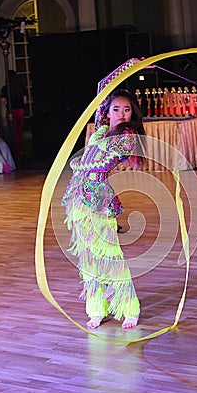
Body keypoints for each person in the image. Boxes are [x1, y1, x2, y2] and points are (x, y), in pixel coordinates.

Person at [61, 62, 146, 330]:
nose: (121, 113)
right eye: (116, 109)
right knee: (88, 258)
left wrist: (81, 165)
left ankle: (128, 308)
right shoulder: (100, 128)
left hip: (97, 197)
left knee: (110, 256)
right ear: (107, 112)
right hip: (78, 197)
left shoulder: (127, 135)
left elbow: (100, 163)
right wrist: (130, 64)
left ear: (132, 114)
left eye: (127, 109)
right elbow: (102, 88)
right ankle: (97, 308)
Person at [0, 70, 27, 161]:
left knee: (13, 132)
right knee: (20, 132)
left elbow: (3, 102)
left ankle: (15, 153)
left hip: (12, 111)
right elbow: (25, 101)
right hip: (20, 110)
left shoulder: (5, 88)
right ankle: (21, 151)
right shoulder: (21, 87)